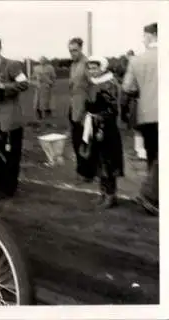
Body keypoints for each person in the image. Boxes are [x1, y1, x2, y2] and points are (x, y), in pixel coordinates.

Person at [0, 36, 29, 198]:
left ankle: (9, 188)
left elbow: (24, 84)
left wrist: (4, 86)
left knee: (12, 155)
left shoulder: (12, 65)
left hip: (11, 118)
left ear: (0, 49)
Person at [122, 23, 158, 215]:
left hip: (147, 114)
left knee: (153, 156)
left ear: (151, 35)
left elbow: (127, 87)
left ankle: (152, 196)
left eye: (144, 36)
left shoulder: (136, 61)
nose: (143, 40)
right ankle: (151, 195)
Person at [80, 56, 124, 209]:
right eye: (90, 68)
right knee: (98, 160)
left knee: (108, 161)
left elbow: (112, 109)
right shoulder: (93, 83)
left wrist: (100, 126)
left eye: (95, 68)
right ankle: (103, 193)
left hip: (106, 127)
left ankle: (111, 195)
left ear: (102, 68)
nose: (92, 71)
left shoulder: (109, 83)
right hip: (94, 124)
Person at [68, 37, 95, 182]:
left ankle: (87, 173)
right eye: (70, 50)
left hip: (85, 110)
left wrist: (89, 109)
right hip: (74, 108)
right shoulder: (73, 65)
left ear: (81, 49)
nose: (72, 53)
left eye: (75, 50)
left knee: (84, 142)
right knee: (76, 141)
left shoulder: (86, 64)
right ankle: (81, 170)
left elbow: (93, 85)